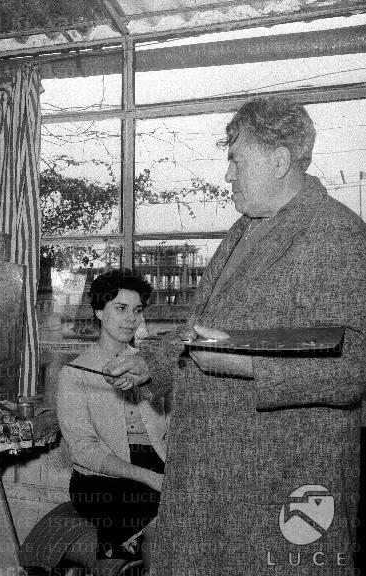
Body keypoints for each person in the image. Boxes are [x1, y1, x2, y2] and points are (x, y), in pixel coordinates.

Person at [104, 96, 366, 575]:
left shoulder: (336, 234)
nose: (227, 175)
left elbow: (353, 366)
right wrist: (152, 364)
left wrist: (243, 365)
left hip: (278, 484)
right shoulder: (244, 229)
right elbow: (203, 329)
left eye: (236, 160)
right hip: (210, 476)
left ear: (280, 160)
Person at [56, 269, 169, 570]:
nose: (131, 319)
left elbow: (170, 431)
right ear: (98, 311)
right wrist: (150, 479)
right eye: (121, 308)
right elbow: (83, 451)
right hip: (101, 482)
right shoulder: (74, 373)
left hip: (156, 466)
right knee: (164, 513)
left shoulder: (150, 366)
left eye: (137, 310)